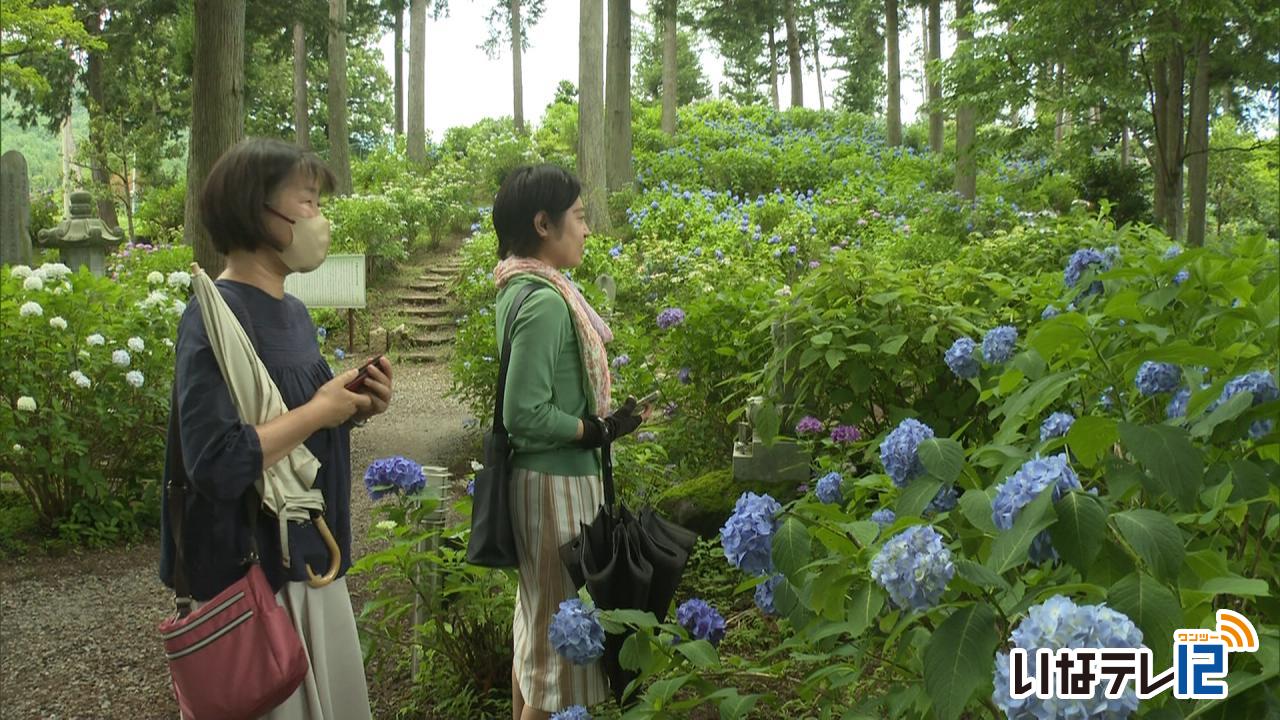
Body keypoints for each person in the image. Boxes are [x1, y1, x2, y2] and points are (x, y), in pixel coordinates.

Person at [158, 138, 392, 719]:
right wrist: (318, 411)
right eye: (308, 202)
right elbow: (216, 462)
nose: (320, 218)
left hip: (315, 564)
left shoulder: (293, 311)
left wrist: (350, 407)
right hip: (255, 585)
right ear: (257, 210)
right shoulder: (212, 317)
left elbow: (288, 432)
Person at [492, 164, 650, 720]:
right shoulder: (543, 302)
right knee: (561, 642)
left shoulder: (522, 288)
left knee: (536, 626)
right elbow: (525, 414)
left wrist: (609, 424)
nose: (586, 230)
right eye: (579, 218)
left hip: (545, 482)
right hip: (554, 486)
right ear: (542, 223)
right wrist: (594, 430)